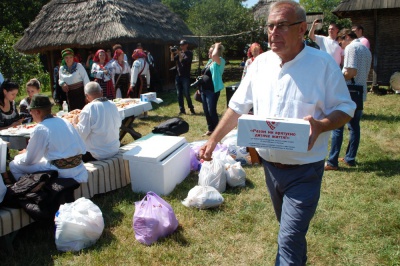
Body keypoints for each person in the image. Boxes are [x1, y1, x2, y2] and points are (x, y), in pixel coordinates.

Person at [199, 1, 355, 264]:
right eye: (270, 26)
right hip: (270, 169)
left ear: (302, 29)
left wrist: (321, 125)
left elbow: (346, 107)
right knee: (289, 233)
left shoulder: (323, 64)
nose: (273, 32)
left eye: (281, 26)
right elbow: (237, 107)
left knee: (288, 238)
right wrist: (213, 140)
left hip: (305, 170)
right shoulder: (260, 64)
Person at [9, 94, 88, 183]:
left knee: (13, 165)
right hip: (78, 167)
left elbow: (30, 160)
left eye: (31, 110)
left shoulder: (41, 128)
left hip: (61, 171)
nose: (30, 113)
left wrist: (18, 157)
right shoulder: (64, 121)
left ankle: (32, 190)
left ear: (37, 112)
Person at [325, 29, 372, 170]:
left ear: (346, 37)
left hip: (348, 93)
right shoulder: (365, 49)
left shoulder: (351, 47)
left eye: (341, 43)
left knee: (337, 127)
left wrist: (336, 78)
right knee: (354, 127)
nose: (341, 47)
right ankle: (350, 158)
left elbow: (351, 71)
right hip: (360, 92)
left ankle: (332, 162)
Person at [72, 82, 121, 162]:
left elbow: (80, 135)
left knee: (70, 150)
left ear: (87, 96)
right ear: (101, 92)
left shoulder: (89, 108)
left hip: (97, 154)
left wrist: (74, 123)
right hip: (114, 149)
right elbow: (119, 123)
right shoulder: (112, 104)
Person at [200, 42, 225, 137]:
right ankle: (210, 129)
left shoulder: (220, 61)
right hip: (204, 90)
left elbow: (215, 55)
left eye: (210, 52)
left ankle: (217, 131)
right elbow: (204, 74)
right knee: (206, 110)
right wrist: (199, 87)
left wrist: (217, 45)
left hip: (212, 90)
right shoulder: (210, 62)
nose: (209, 54)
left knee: (212, 111)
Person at [0, 80, 26, 151]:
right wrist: (10, 126)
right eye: (12, 94)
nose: (14, 97)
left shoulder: (12, 103)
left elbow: (16, 119)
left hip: (13, 134)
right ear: (5, 91)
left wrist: (19, 120)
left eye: (16, 94)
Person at [171, 39, 195, 115]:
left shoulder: (189, 53)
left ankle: (191, 109)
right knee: (179, 94)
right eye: (180, 45)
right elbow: (172, 59)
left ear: (186, 45)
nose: (181, 46)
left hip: (185, 76)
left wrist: (178, 53)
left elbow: (183, 61)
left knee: (187, 93)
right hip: (178, 76)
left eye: (182, 45)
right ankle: (182, 110)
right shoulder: (180, 53)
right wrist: (172, 53)